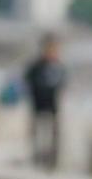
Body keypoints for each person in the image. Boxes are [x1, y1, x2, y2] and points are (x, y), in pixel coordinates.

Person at [23, 33, 67, 169]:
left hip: (53, 107)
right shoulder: (36, 66)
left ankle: (52, 162)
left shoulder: (59, 66)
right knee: (37, 134)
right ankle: (37, 159)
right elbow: (28, 80)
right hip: (38, 105)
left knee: (54, 136)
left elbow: (63, 83)